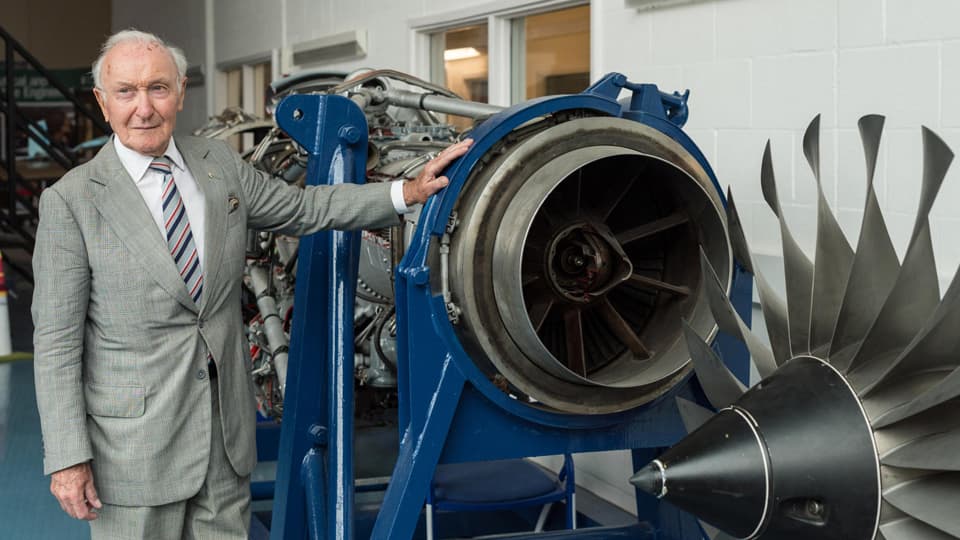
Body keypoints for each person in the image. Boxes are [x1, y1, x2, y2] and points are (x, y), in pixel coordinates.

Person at [32, 29, 471, 539]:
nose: (143, 108)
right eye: (126, 92)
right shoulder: (72, 201)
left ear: (179, 93)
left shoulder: (217, 166)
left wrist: (406, 191)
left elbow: (306, 207)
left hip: (224, 439)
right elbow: (57, 344)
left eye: (157, 88)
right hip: (133, 451)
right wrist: (67, 458)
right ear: (102, 103)